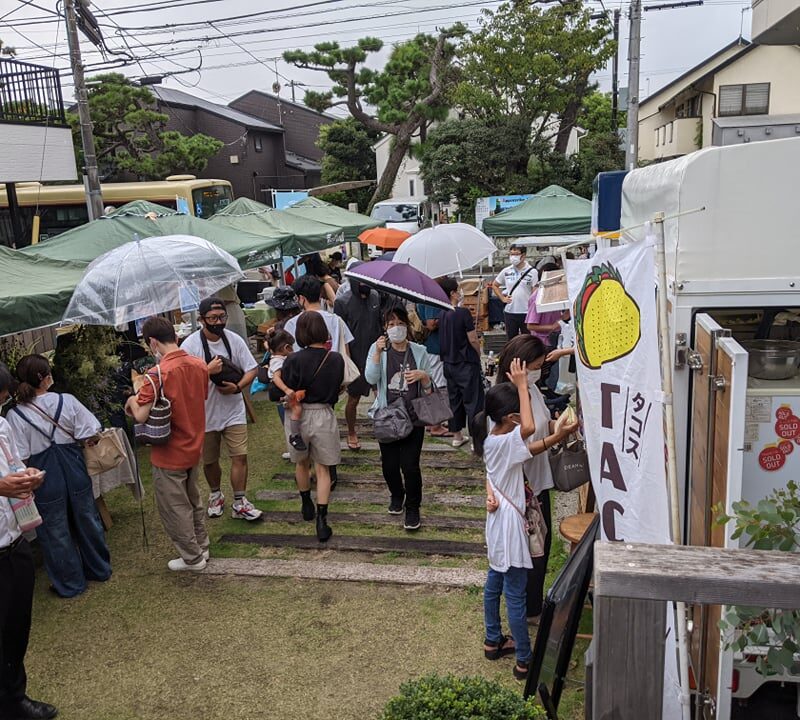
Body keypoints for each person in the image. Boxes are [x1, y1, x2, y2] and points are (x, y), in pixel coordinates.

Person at [8, 355, 112, 599]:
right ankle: (99, 568)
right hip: (73, 466)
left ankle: (70, 583)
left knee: (55, 530)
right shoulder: (67, 401)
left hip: (42, 474)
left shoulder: (15, 415)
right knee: (87, 518)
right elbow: (90, 432)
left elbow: (20, 456)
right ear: (44, 378)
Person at [494, 335, 579, 622]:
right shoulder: (508, 398)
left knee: (541, 547)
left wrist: (560, 425)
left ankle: (532, 606)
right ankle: (529, 611)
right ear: (518, 366)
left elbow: (543, 424)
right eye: (535, 366)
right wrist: (520, 387)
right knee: (532, 553)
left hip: (538, 481)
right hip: (521, 488)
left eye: (542, 365)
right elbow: (526, 434)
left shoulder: (533, 390)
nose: (539, 371)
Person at [125, 317, 211, 571]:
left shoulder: (157, 374)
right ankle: (202, 546)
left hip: (169, 449)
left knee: (175, 507)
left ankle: (192, 557)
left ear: (152, 342)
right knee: (193, 499)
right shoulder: (199, 365)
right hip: (194, 442)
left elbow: (140, 414)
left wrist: (131, 399)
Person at [0, 363, 59, 720]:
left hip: (13, 538)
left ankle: (14, 698)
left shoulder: (2, 424)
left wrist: (26, 475)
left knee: (16, 627)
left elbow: (11, 464)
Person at [181, 297, 262, 522]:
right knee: (210, 460)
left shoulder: (234, 340)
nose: (218, 322)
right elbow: (183, 381)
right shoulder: (190, 346)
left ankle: (240, 501)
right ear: (201, 320)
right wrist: (206, 371)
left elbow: (252, 369)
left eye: (222, 317)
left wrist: (237, 387)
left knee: (240, 456)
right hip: (204, 413)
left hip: (233, 409)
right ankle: (215, 495)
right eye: (213, 318)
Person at [365, 306, 433, 531]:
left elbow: (429, 388)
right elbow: (371, 378)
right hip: (387, 416)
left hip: (413, 416)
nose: (396, 328)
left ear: (407, 325)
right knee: (389, 465)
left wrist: (423, 377)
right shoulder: (379, 351)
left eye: (400, 323)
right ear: (385, 328)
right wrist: (376, 352)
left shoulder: (419, 351)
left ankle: (413, 507)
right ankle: (397, 494)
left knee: (410, 466)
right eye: (391, 324)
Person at [280, 312, 344, 542]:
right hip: (323, 414)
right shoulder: (335, 359)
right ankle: (322, 518)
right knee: (323, 468)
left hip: (297, 414)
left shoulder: (293, 360)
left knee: (300, 462)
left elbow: (280, 391)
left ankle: (306, 502)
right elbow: (338, 387)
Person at [334, 279, 383, 451]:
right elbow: (339, 335)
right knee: (353, 399)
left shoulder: (375, 297)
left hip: (377, 355)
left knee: (382, 395)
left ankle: (386, 425)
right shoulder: (342, 302)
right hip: (355, 357)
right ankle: (351, 431)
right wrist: (347, 361)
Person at [437, 277, 484, 448]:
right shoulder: (463, 313)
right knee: (473, 401)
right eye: (458, 290)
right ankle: (475, 439)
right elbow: (472, 339)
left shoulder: (441, 313)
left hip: (448, 363)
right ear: (453, 293)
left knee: (454, 399)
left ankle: (457, 435)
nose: (460, 293)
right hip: (465, 362)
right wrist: (478, 354)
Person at [285, 275, 354, 355]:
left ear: (301, 298)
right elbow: (346, 352)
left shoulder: (292, 324)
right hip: (336, 365)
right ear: (320, 295)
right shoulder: (337, 320)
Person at [267, 330, 306, 451]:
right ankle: (295, 435)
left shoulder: (277, 358)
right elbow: (276, 377)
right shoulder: (278, 361)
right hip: (283, 392)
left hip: (285, 393)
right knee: (297, 409)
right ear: (286, 348)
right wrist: (286, 389)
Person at [415, 300, 449, 437]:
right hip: (435, 347)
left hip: (430, 346)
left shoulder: (422, 296)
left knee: (431, 384)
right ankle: (436, 425)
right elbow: (431, 324)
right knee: (439, 386)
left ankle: (432, 422)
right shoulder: (432, 299)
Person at [491, 245, 538, 340]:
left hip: (526, 312)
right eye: (511, 254)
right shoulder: (506, 271)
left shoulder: (532, 272)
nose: (513, 257)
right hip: (510, 311)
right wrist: (503, 298)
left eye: (516, 254)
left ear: (523, 255)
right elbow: (495, 285)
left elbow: (535, 291)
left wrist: (533, 308)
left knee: (527, 340)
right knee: (511, 340)